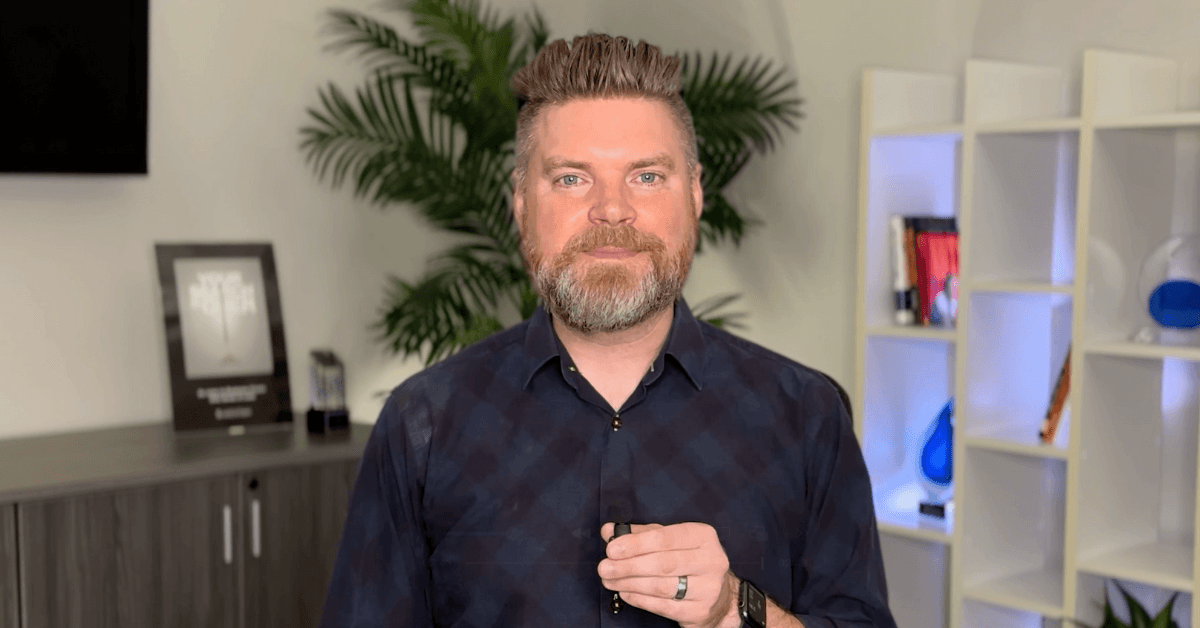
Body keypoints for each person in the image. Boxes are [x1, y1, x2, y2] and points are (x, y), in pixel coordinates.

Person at [320, 33, 897, 628]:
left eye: (646, 177)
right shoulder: (424, 426)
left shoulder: (806, 417)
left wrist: (734, 609)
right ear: (521, 204)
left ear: (695, 194)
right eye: (572, 178)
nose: (612, 209)